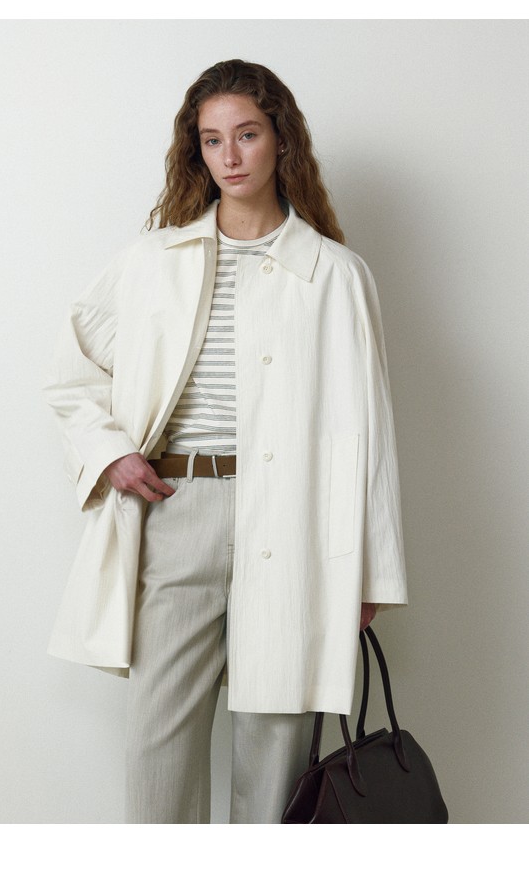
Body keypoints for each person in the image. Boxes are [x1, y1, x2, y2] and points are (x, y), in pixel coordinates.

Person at [43, 59, 408, 823]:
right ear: (197, 151)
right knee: (159, 740)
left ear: (282, 140)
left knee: (275, 742)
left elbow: (368, 431)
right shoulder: (152, 261)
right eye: (212, 140)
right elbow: (74, 367)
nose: (231, 156)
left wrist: (372, 568)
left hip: (294, 519)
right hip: (177, 507)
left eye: (247, 134)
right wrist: (111, 452)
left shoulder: (335, 274)